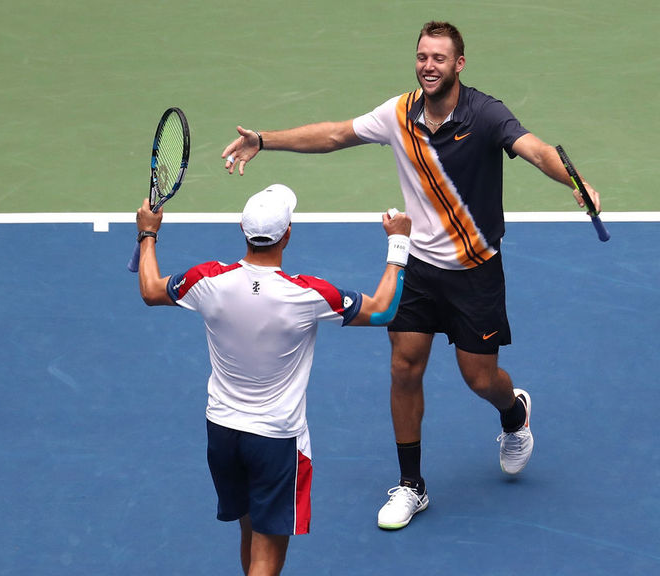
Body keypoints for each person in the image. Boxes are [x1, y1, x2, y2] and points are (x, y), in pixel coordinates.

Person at [220, 21, 602, 531]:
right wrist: (264, 141)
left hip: (475, 270)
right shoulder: (398, 114)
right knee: (404, 367)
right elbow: (335, 134)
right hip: (420, 268)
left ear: (459, 65)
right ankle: (411, 485)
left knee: (479, 378)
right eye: (422, 56)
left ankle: (513, 413)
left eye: (439, 58)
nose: (428, 65)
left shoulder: (486, 114)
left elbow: (533, 148)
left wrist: (576, 181)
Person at [136, 183, 412, 575]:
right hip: (276, 442)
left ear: (243, 231)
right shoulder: (307, 293)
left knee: (249, 534)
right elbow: (383, 310)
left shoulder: (207, 280)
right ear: (287, 234)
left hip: (223, 433)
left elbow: (150, 289)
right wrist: (398, 243)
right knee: (267, 556)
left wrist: (148, 233)